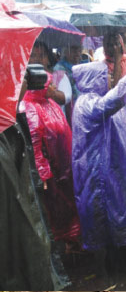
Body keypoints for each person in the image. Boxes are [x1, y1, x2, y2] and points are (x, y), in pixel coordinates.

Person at [71, 59, 126, 251]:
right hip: (95, 168)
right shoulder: (87, 103)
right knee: (101, 205)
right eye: (103, 75)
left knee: (113, 203)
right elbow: (107, 105)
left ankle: (117, 244)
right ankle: (110, 251)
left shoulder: (89, 99)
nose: (107, 78)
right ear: (92, 79)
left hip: (102, 164)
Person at [20, 72, 82, 253]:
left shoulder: (51, 104)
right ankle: (61, 248)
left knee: (68, 205)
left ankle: (72, 241)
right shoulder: (31, 108)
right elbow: (35, 144)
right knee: (55, 210)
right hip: (51, 171)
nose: (54, 88)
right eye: (50, 84)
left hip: (64, 167)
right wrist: (44, 174)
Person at [29, 41, 72, 115]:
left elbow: (66, 98)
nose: (37, 59)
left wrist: (52, 93)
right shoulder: (24, 77)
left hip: (54, 122)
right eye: (33, 55)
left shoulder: (59, 76)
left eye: (42, 55)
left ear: (48, 59)